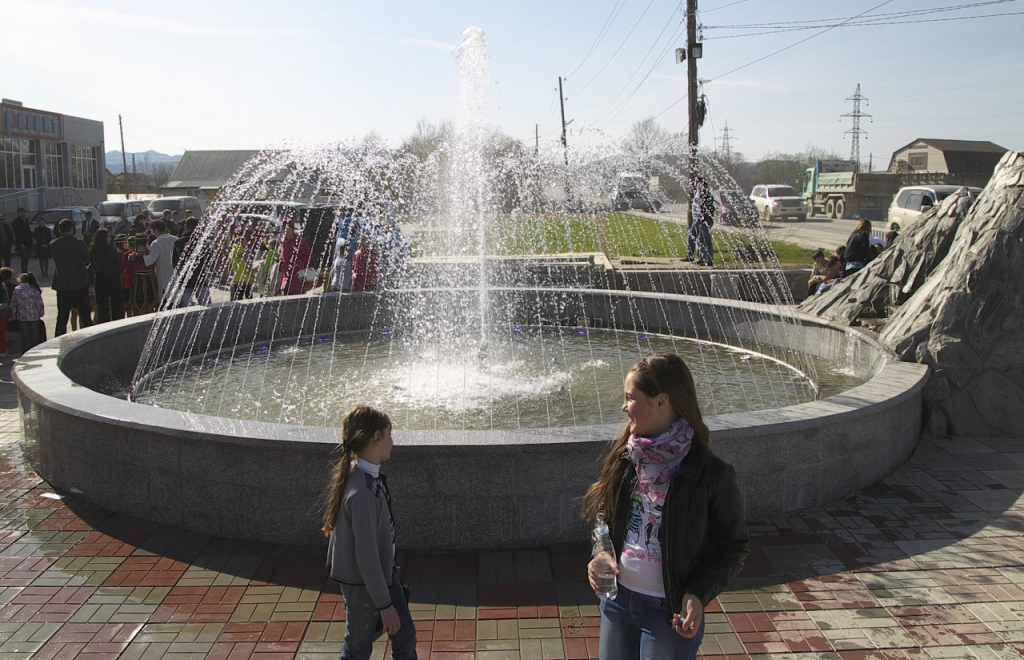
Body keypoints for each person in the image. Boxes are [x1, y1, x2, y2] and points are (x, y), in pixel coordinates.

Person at [583, 353, 750, 660]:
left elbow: (734, 545)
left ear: (662, 402)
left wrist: (698, 594)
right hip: (617, 602)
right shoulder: (626, 457)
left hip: (668, 613)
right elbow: (605, 518)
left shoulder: (710, 474)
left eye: (630, 398)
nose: (623, 407)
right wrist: (602, 552)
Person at [322, 405, 418, 660]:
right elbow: (365, 556)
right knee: (357, 649)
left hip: (383, 576)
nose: (392, 441)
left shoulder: (366, 477)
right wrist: (384, 605)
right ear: (376, 437)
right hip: (364, 584)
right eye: (389, 434)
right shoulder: (362, 492)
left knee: (406, 637)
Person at [49, 218, 93, 336]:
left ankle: (58, 339)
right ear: (72, 229)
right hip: (79, 282)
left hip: (63, 284)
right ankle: (90, 337)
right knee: (85, 315)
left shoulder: (54, 244)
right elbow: (88, 260)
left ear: (59, 230)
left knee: (62, 316)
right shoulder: (79, 243)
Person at [134, 219, 177, 306]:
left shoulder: (157, 243)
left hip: (164, 274)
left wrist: (137, 257)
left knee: (166, 299)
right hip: (176, 272)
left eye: (153, 231)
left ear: (156, 230)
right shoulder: (175, 239)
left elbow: (150, 259)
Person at [172, 217, 211, 307]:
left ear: (185, 227)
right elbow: (209, 259)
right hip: (201, 278)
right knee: (207, 308)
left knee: (186, 310)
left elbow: (175, 263)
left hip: (186, 279)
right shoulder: (202, 242)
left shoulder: (178, 243)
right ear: (198, 227)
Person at [89, 229, 125, 323]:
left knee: (102, 305)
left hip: (100, 279)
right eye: (108, 237)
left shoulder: (93, 250)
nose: (110, 239)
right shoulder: (111, 250)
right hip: (112, 279)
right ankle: (118, 322)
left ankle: (103, 323)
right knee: (116, 304)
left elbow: (92, 265)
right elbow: (118, 265)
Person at [11, 272, 45, 353]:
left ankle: (25, 352)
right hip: (34, 316)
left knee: (24, 335)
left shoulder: (17, 289)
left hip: (22, 316)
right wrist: (41, 313)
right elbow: (39, 303)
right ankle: (34, 351)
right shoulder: (34, 290)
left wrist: (12, 314)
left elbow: (14, 303)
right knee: (34, 334)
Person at [278, 220, 312, 295]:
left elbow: (308, 254)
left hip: (297, 273)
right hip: (286, 274)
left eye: (288, 229)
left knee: (296, 294)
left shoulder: (298, 240)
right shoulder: (283, 240)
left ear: (292, 229)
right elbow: (283, 255)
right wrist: (281, 263)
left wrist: (301, 261)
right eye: (284, 229)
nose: (286, 232)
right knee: (284, 293)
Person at [12, 208, 32, 274]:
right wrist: (21, 243)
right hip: (21, 243)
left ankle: (25, 270)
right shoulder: (15, 222)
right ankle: (23, 271)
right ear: (18, 213)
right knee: (23, 257)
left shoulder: (26, 220)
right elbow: (17, 234)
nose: (22, 213)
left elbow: (28, 232)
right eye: (21, 212)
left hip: (28, 242)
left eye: (23, 212)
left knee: (27, 257)